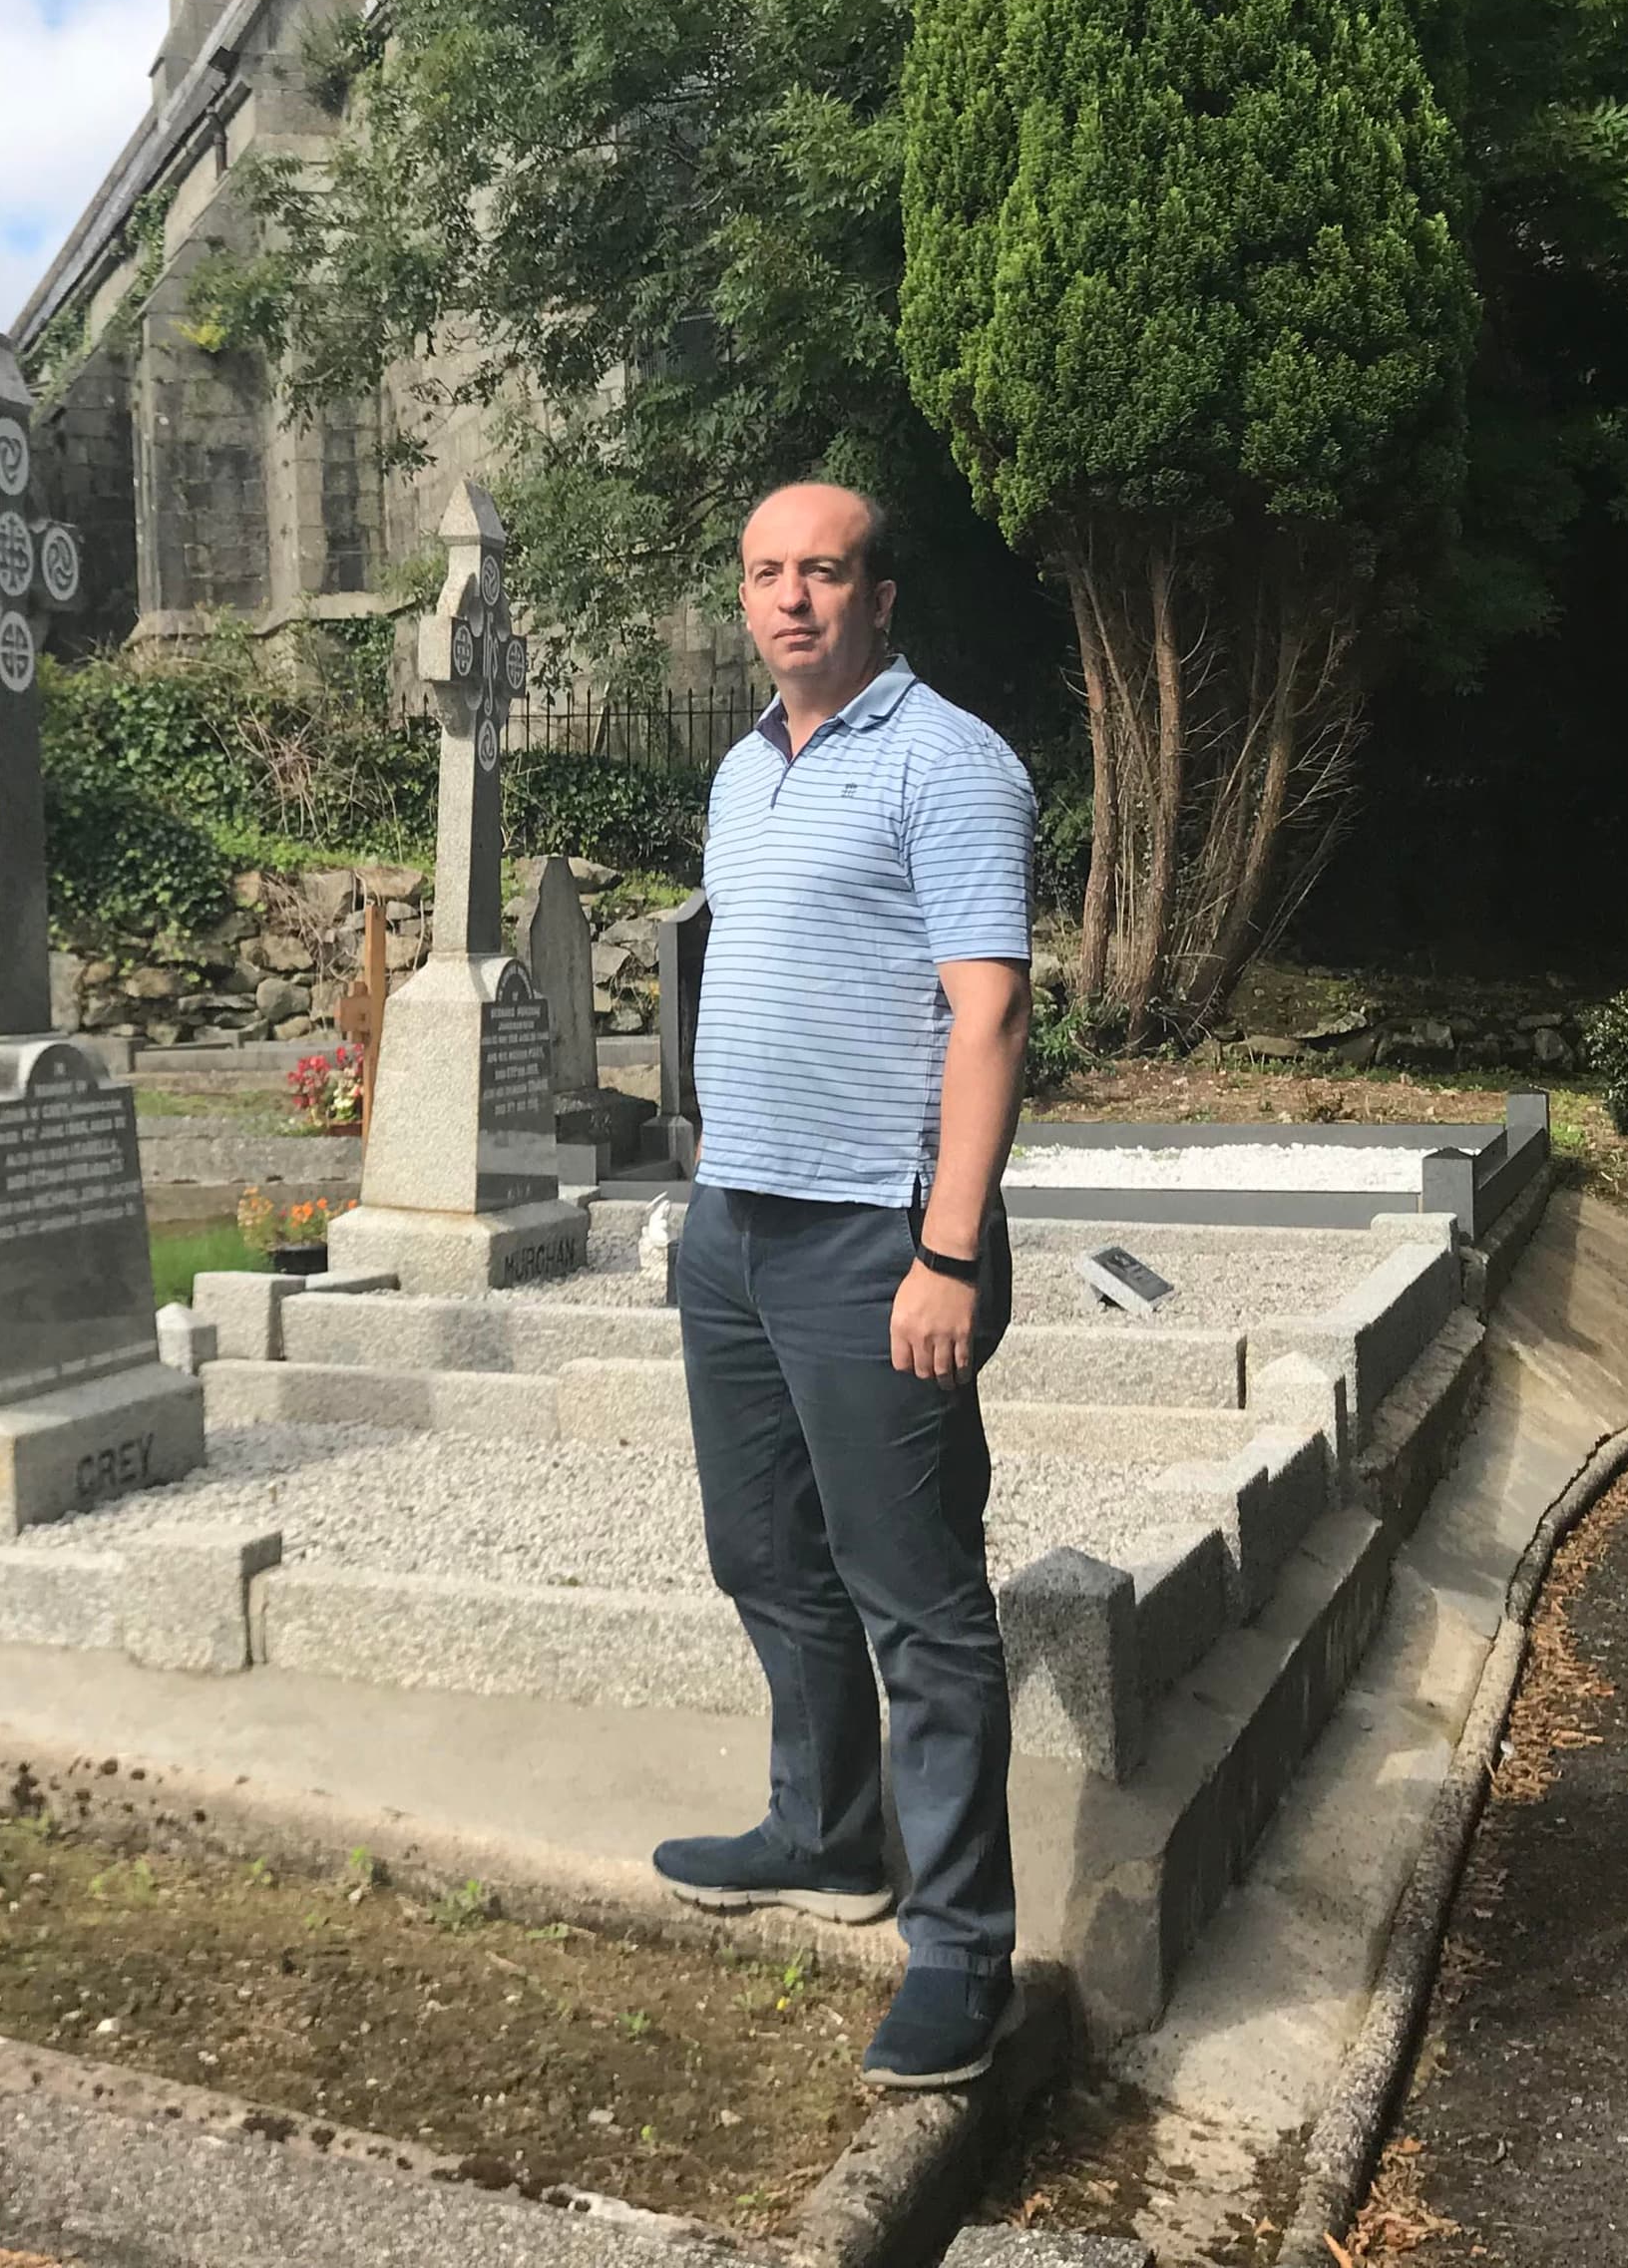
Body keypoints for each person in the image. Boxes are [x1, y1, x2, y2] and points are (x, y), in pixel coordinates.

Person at [651, 479, 1034, 2088]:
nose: (790, 597)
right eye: (764, 571)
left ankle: (961, 1949)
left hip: (880, 1240)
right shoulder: (746, 768)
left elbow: (991, 1019)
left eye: (823, 571)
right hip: (733, 1228)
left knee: (919, 1599)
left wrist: (948, 1248)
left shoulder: (949, 762)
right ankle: (824, 1837)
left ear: (881, 595)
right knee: (764, 1555)